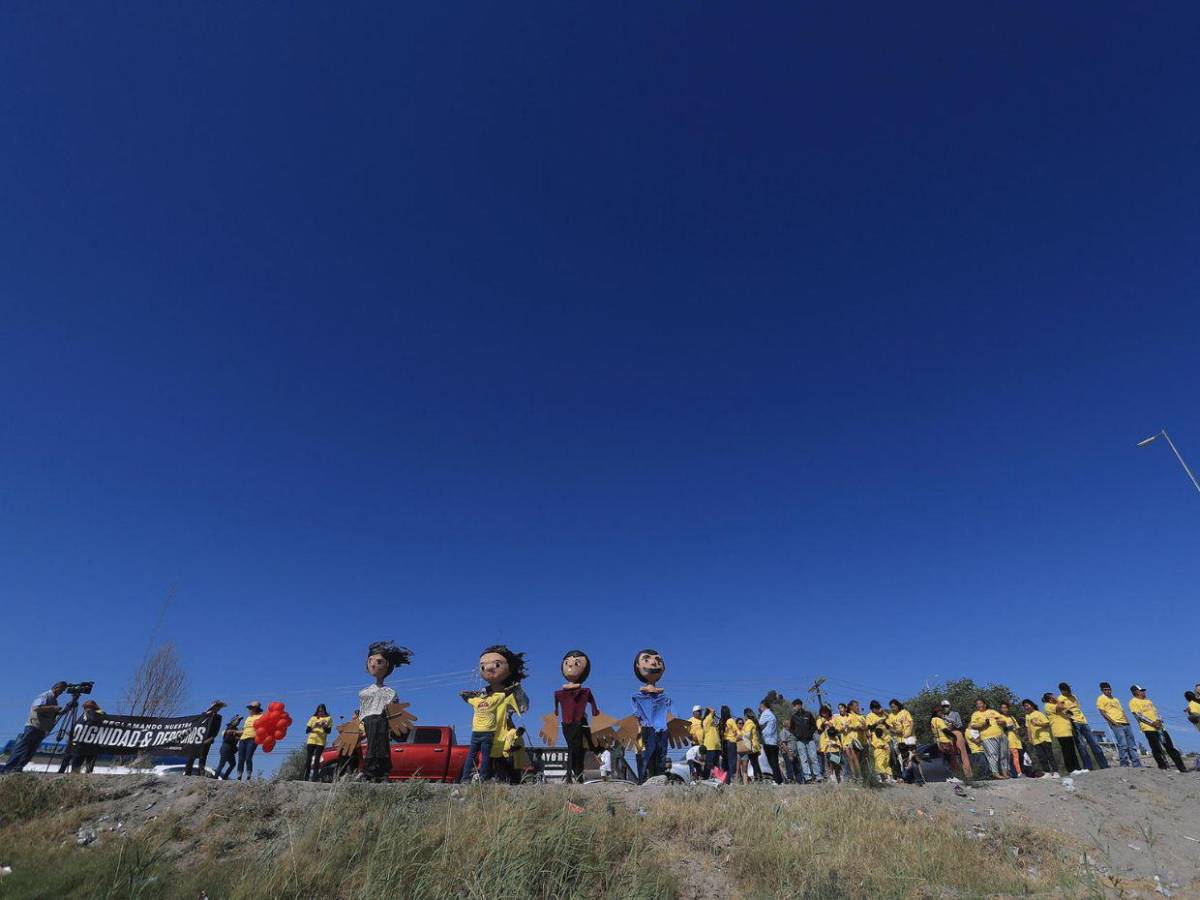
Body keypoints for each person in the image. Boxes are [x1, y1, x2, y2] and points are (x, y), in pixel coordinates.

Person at [2, 681, 66, 774]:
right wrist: (52, 708)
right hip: (33, 726)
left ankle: (18, 768)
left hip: (42, 729)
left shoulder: (54, 700)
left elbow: (52, 715)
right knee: (22, 748)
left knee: (30, 751)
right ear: (57, 687)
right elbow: (36, 708)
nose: (62, 692)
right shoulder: (45, 696)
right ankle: (8, 768)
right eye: (62, 689)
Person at [1128, 685, 1186, 772]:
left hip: (1160, 728)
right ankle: (1162, 767)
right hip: (1148, 728)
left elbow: (1156, 712)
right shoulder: (1133, 702)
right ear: (1136, 692)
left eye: (1143, 690)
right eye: (1141, 691)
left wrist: (1159, 720)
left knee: (1170, 747)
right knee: (1156, 748)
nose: (1144, 692)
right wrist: (1152, 723)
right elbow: (1138, 715)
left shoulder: (1148, 701)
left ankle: (1181, 767)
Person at [1058, 682, 1108, 771]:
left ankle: (1104, 765)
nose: (1069, 691)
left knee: (1094, 743)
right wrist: (1069, 717)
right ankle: (1088, 767)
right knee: (1081, 746)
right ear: (1062, 691)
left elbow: (1077, 708)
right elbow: (1061, 710)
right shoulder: (1060, 698)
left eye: (1069, 689)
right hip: (1074, 723)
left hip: (1083, 721)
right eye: (1067, 689)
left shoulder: (1074, 697)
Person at [1096, 683, 1141, 768]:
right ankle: (1124, 764)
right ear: (1102, 690)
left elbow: (1122, 710)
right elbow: (1102, 712)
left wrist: (1127, 720)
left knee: (1132, 745)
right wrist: (1113, 722)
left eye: (1109, 689)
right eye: (1105, 689)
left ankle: (1136, 764)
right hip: (1116, 724)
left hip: (1125, 723)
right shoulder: (1101, 699)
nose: (1108, 691)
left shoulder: (1115, 699)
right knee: (1123, 744)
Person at [1043, 692, 1082, 774]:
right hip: (1060, 731)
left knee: (1072, 750)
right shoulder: (1048, 706)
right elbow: (1061, 706)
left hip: (1067, 730)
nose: (1056, 697)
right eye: (1053, 696)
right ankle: (1071, 769)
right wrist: (1057, 700)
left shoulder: (1055, 705)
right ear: (1050, 699)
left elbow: (1066, 711)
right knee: (1066, 750)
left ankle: (1077, 768)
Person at [185, 701, 225, 777]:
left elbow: (216, 729)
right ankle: (187, 771)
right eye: (216, 706)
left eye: (219, 707)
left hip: (208, 738)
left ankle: (201, 772)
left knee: (203, 755)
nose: (217, 708)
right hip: (198, 737)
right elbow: (197, 724)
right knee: (192, 755)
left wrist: (212, 737)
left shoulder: (218, 718)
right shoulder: (204, 715)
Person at [970, 698, 1008, 779]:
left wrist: (1002, 722)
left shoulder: (992, 711)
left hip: (1001, 735)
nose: (979, 705)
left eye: (980, 703)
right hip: (987, 737)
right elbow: (973, 725)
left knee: (1003, 755)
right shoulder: (975, 714)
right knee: (993, 755)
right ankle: (995, 773)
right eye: (977, 704)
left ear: (985, 704)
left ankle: (1005, 773)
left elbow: (1003, 720)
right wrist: (982, 725)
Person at [68, 700, 106, 774]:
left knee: (88, 769)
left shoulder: (100, 714)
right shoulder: (82, 717)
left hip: (92, 746)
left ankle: (84, 781)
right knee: (76, 768)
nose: (87, 709)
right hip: (81, 746)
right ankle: (73, 780)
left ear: (94, 708)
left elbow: (105, 720)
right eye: (86, 707)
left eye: (89, 707)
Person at [1021, 699, 1057, 777]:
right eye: (1024, 706)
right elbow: (1028, 728)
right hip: (1036, 740)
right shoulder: (1027, 716)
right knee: (1042, 757)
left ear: (1032, 705)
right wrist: (1030, 738)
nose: (1026, 707)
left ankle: (1055, 772)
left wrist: (1037, 724)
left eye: (1027, 705)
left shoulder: (1039, 713)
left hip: (1044, 738)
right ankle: (1047, 773)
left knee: (1049, 756)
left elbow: (1047, 724)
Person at [790, 699, 820, 783]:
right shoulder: (793, 717)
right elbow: (791, 729)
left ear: (799, 705)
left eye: (794, 706)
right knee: (804, 759)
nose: (794, 708)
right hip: (800, 741)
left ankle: (818, 776)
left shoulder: (808, 714)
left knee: (813, 757)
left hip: (810, 740)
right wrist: (797, 734)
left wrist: (810, 734)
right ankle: (808, 777)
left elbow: (814, 725)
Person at [304, 704, 333, 781]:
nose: (320, 713)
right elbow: (307, 730)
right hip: (311, 740)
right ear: (317, 711)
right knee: (309, 759)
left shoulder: (328, 718)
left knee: (317, 759)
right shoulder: (313, 718)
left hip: (321, 741)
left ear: (324, 711)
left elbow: (329, 731)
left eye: (322, 711)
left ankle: (314, 777)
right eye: (319, 711)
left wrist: (324, 726)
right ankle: (305, 777)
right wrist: (315, 726)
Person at [757, 700, 783, 784]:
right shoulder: (771, 714)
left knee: (772, 762)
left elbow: (759, 723)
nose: (760, 708)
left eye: (760, 706)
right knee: (774, 762)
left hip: (768, 742)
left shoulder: (766, 714)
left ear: (763, 706)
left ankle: (777, 780)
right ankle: (779, 779)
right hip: (773, 741)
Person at [237, 701, 263, 780]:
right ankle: (239, 775)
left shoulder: (260, 716)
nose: (249, 710)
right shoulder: (248, 718)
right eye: (249, 708)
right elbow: (244, 730)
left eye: (251, 708)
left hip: (253, 739)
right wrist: (234, 732)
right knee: (241, 758)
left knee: (248, 757)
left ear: (256, 709)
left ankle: (248, 774)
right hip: (243, 739)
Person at [816, 705, 841, 783]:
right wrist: (824, 723)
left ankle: (838, 776)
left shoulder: (834, 719)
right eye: (823, 712)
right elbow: (819, 730)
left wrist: (831, 725)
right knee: (829, 761)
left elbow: (838, 730)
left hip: (835, 742)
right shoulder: (819, 720)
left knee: (836, 761)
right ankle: (831, 776)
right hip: (825, 744)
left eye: (826, 712)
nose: (824, 714)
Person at [998, 702, 1024, 777]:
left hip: (1016, 739)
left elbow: (1017, 728)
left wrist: (1016, 730)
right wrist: (1009, 727)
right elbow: (1001, 728)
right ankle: (1017, 772)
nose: (1004, 709)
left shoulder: (1012, 717)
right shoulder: (1000, 717)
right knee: (1012, 756)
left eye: (1005, 707)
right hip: (1007, 739)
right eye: (1002, 707)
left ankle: (1017, 772)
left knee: (1017, 756)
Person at [215, 715, 242, 780]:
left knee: (233, 764)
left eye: (240, 720)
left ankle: (224, 777)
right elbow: (227, 739)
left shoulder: (235, 729)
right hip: (226, 748)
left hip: (230, 750)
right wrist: (237, 738)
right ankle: (214, 778)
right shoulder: (230, 727)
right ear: (233, 721)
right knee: (222, 764)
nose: (239, 722)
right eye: (238, 720)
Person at [742, 708, 764, 782]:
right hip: (756, 746)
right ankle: (759, 779)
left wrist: (741, 736)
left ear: (745, 715)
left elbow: (747, 734)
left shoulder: (748, 722)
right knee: (755, 763)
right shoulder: (753, 722)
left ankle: (758, 779)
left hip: (752, 747)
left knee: (754, 764)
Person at [700, 707, 722, 779]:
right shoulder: (707, 720)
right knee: (709, 764)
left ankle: (717, 778)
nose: (714, 715)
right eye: (713, 714)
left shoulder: (713, 724)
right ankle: (705, 778)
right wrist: (708, 708)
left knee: (716, 765)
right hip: (710, 746)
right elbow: (713, 710)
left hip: (716, 747)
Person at [720, 706, 739, 784]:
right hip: (731, 742)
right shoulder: (730, 720)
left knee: (726, 763)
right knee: (732, 762)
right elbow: (736, 731)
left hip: (724, 743)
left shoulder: (722, 722)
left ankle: (726, 781)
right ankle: (732, 781)